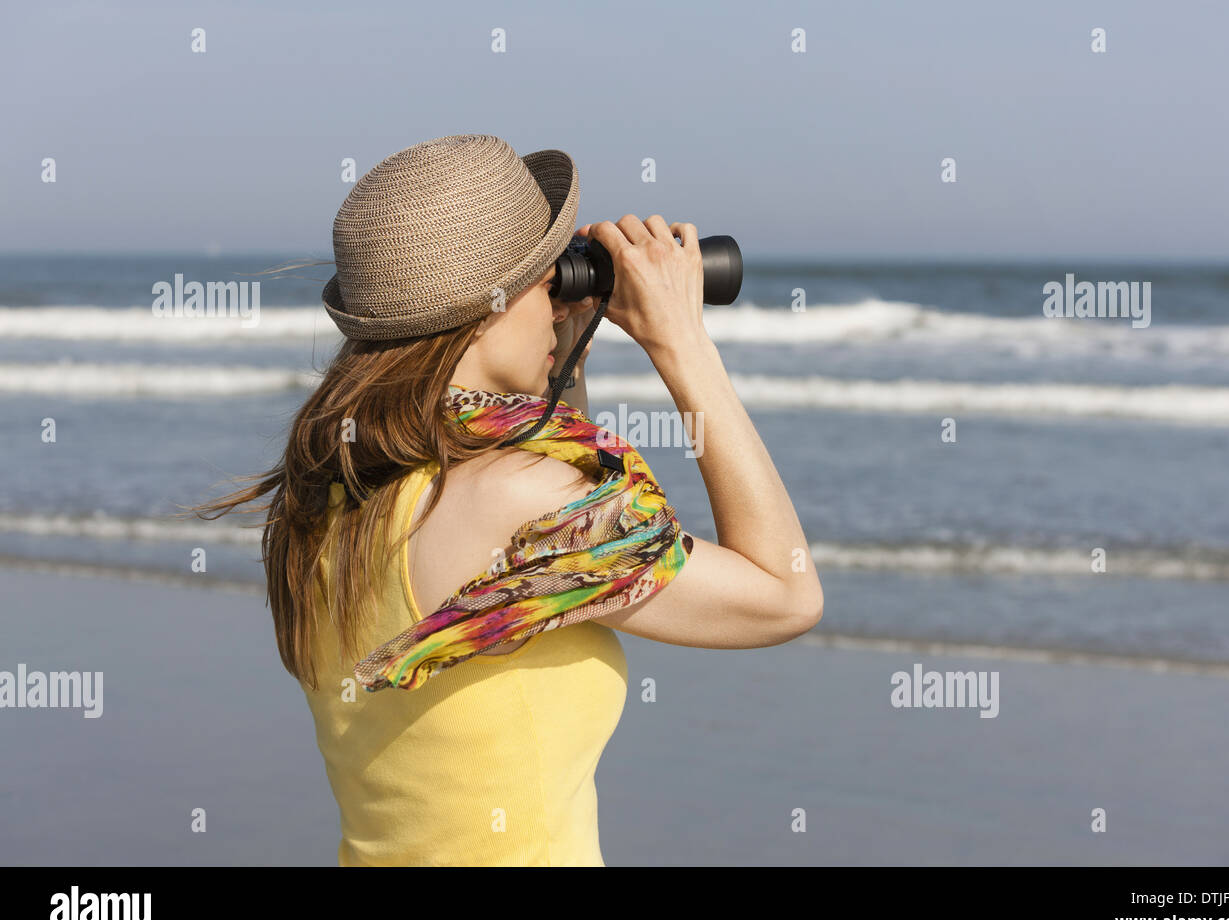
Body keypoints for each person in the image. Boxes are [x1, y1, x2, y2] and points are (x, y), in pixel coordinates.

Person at [192, 135, 822, 866]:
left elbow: (551, 518)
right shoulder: (517, 498)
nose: (560, 304)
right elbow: (785, 593)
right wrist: (683, 345)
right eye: (548, 282)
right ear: (490, 303)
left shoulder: (328, 494)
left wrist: (568, 350)